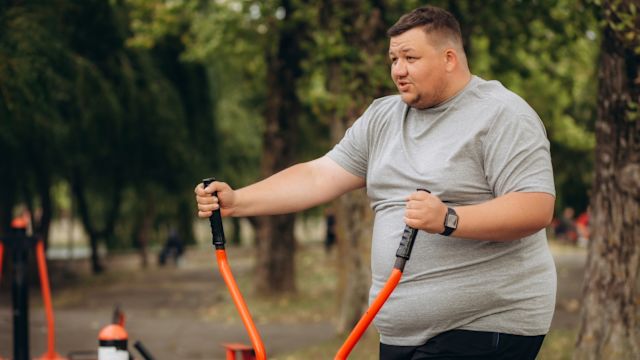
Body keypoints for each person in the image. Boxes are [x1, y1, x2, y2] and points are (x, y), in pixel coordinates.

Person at [195, 6, 555, 360]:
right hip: (399, 331)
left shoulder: (502, 114)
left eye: (410, 58)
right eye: (393, 59)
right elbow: (320, 175)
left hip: (483, 326)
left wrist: (449, 219)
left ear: (449, 58)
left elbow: (535, 207)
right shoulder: (383, 116)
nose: (398, 70)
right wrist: (238, 201)